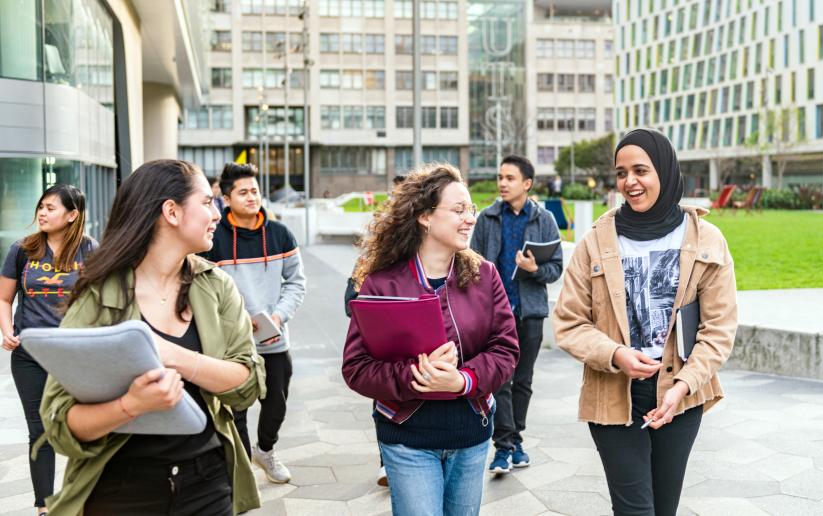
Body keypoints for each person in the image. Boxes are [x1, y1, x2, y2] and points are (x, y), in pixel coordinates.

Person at [37, 160, 266, 515]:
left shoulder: (216, 286)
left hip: (208, 483)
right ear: (171, 212)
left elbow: (247, 383)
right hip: (120, 488)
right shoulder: (100, 295)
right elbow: (59, 422)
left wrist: (171, 355)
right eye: (206, 203)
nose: (217, 214)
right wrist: (131, 406)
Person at [553, 129, 737, 516]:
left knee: (663, 509)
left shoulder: (707, 239)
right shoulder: (595, 242)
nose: (629, 182)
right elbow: (569, 322)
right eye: (621, 173)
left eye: (641, 170)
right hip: (613, 393)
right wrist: (615, 353)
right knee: (635, 509)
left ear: (666, 171)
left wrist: (683, 386)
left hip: (680, 394)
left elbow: (718, 329)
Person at [342, 163, 519, 516]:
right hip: (408, 438)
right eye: (458, 210)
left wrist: (463, 380)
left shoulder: (485, 275)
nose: (470, 218)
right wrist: (416, 376)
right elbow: (356, 368)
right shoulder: (382, 282)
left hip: (471, 435)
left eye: (471, 209)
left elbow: (506, 349)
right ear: (425, 216)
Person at [203, 162, 306, 484]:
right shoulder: (213, 239)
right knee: (236, 409)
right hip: (232, 343)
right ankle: (241, 468)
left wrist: (278, 315)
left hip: (275, 338)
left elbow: (296, 282)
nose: (251, 197)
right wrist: (231, 318)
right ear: (227, 198)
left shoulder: (280, 234)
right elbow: (202, 287)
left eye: (255, 191)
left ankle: (265, 449)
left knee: (276, 402)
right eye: (243, 192)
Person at [0, 184, 97, 516]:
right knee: (39, 432)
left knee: (82, 426)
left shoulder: (89, 250)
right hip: (30, 355)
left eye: (51, 208)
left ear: (72, 215)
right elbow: (3, 298)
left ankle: (83, 498)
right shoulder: (22, 250)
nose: (42, 212)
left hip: (74, 354)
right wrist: (7, 329)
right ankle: (44, 507)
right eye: (41, 206)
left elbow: (99, 299)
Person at [470, 155, 563, 475]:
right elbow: (472, 265)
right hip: (495, 314)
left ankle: (515, 441)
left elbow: (556, 268)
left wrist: (534, 269)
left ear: (527, 184)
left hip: (530, 312)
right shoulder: (486, 219)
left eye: (510, 178)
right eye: (500, 177)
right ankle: (504, 446)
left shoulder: (545, 219)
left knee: (523, 380)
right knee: (500, 381)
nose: (502, 183)